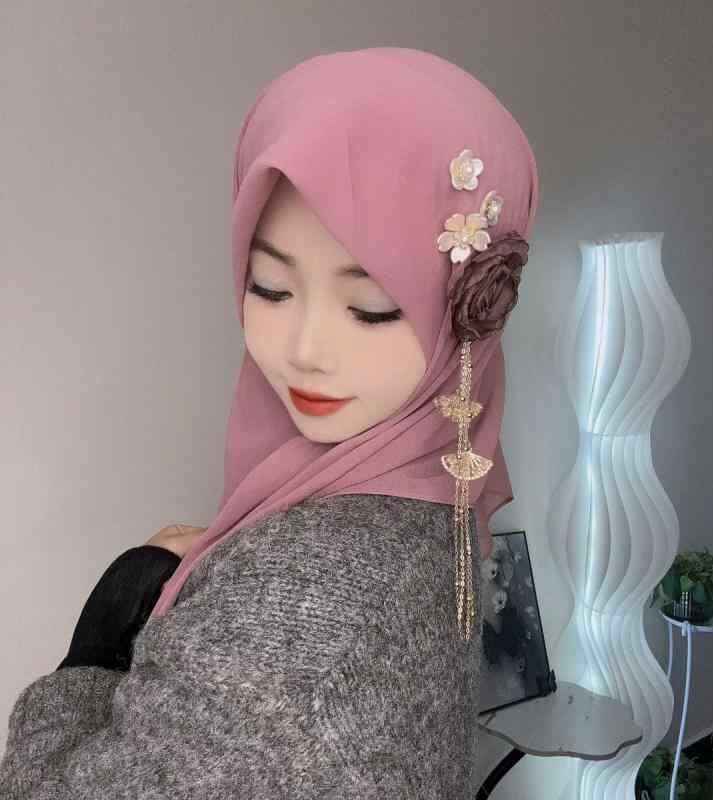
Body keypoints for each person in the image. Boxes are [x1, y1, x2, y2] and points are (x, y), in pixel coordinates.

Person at [0, 46, 539, 798]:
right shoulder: (436, 489)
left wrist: (100, 641)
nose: (305, 351)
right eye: (271, 287)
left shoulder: (308, 611)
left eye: (371, 307)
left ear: (470, 315)